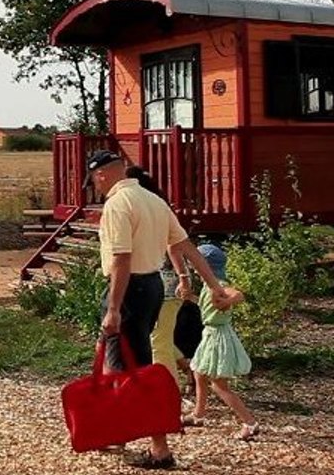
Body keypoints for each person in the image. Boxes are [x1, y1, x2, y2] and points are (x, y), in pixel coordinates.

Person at [85, 150, 233, 470]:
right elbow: (187, 247)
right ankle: (115, 430)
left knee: (134, 371)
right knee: (116, 361)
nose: (95, 185)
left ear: (101, 175)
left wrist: (113, 308)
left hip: (127, 291)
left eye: (94, 179)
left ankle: (160, 449)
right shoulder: (153, 200)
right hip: (151, 287)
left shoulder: (117, 204)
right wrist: (213, 285)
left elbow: (122, 259)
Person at [183, 243, 259, 441]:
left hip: (217, 336)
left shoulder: (218, 284)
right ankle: (199, 415)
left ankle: (249, 423)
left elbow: (238, 294)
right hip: (210, 334)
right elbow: (206, 306)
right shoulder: (209, 286)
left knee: (219, 385)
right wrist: (189, 298)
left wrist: (228, 301)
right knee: (199, 372)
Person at [125, 166, 192, 390]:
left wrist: (183, 278)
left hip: (166, 286)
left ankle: (168, 390)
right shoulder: (152, 205)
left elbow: (174, 245)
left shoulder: (150, 208)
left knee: (158, 339)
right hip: (154, 284)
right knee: (156, 335)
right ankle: (187, 367)